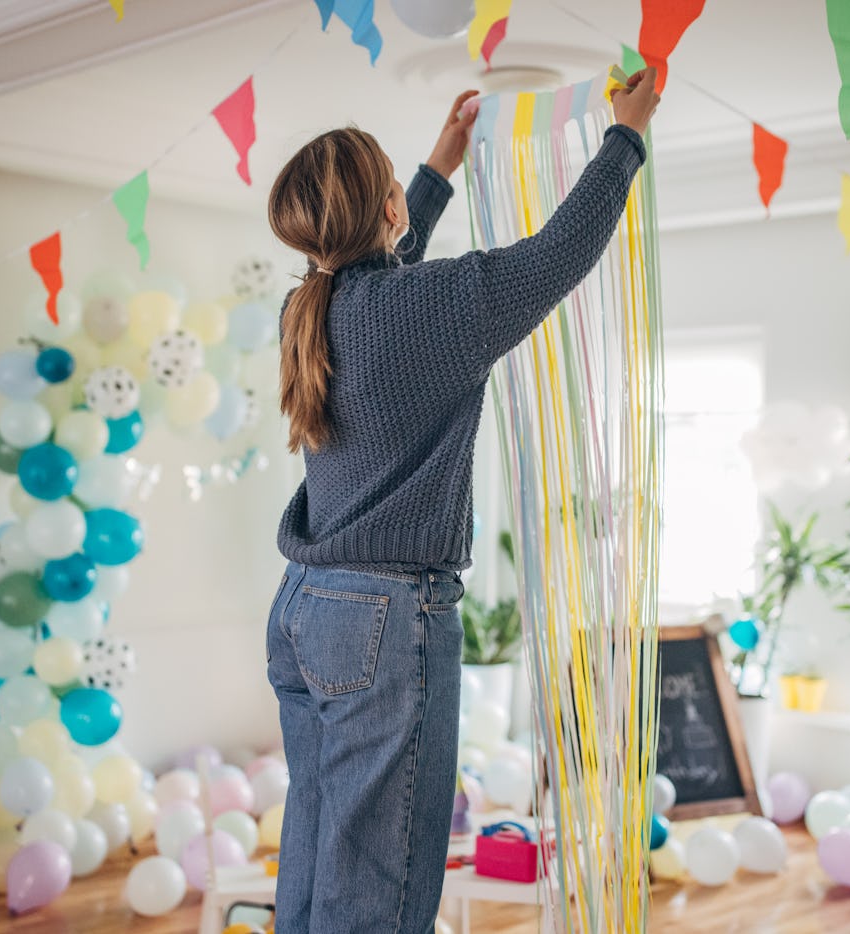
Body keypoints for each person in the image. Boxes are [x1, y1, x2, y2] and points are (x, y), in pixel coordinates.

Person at [263, 68, 660, 934]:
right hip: (384, 619)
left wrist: (436, 172)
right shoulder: (432, 305)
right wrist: (625, 136)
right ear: (390, 210)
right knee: (378, 889)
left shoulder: (308, 307)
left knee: (322, 843)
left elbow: (380, 278)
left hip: (305, 608)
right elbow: (560, 253)